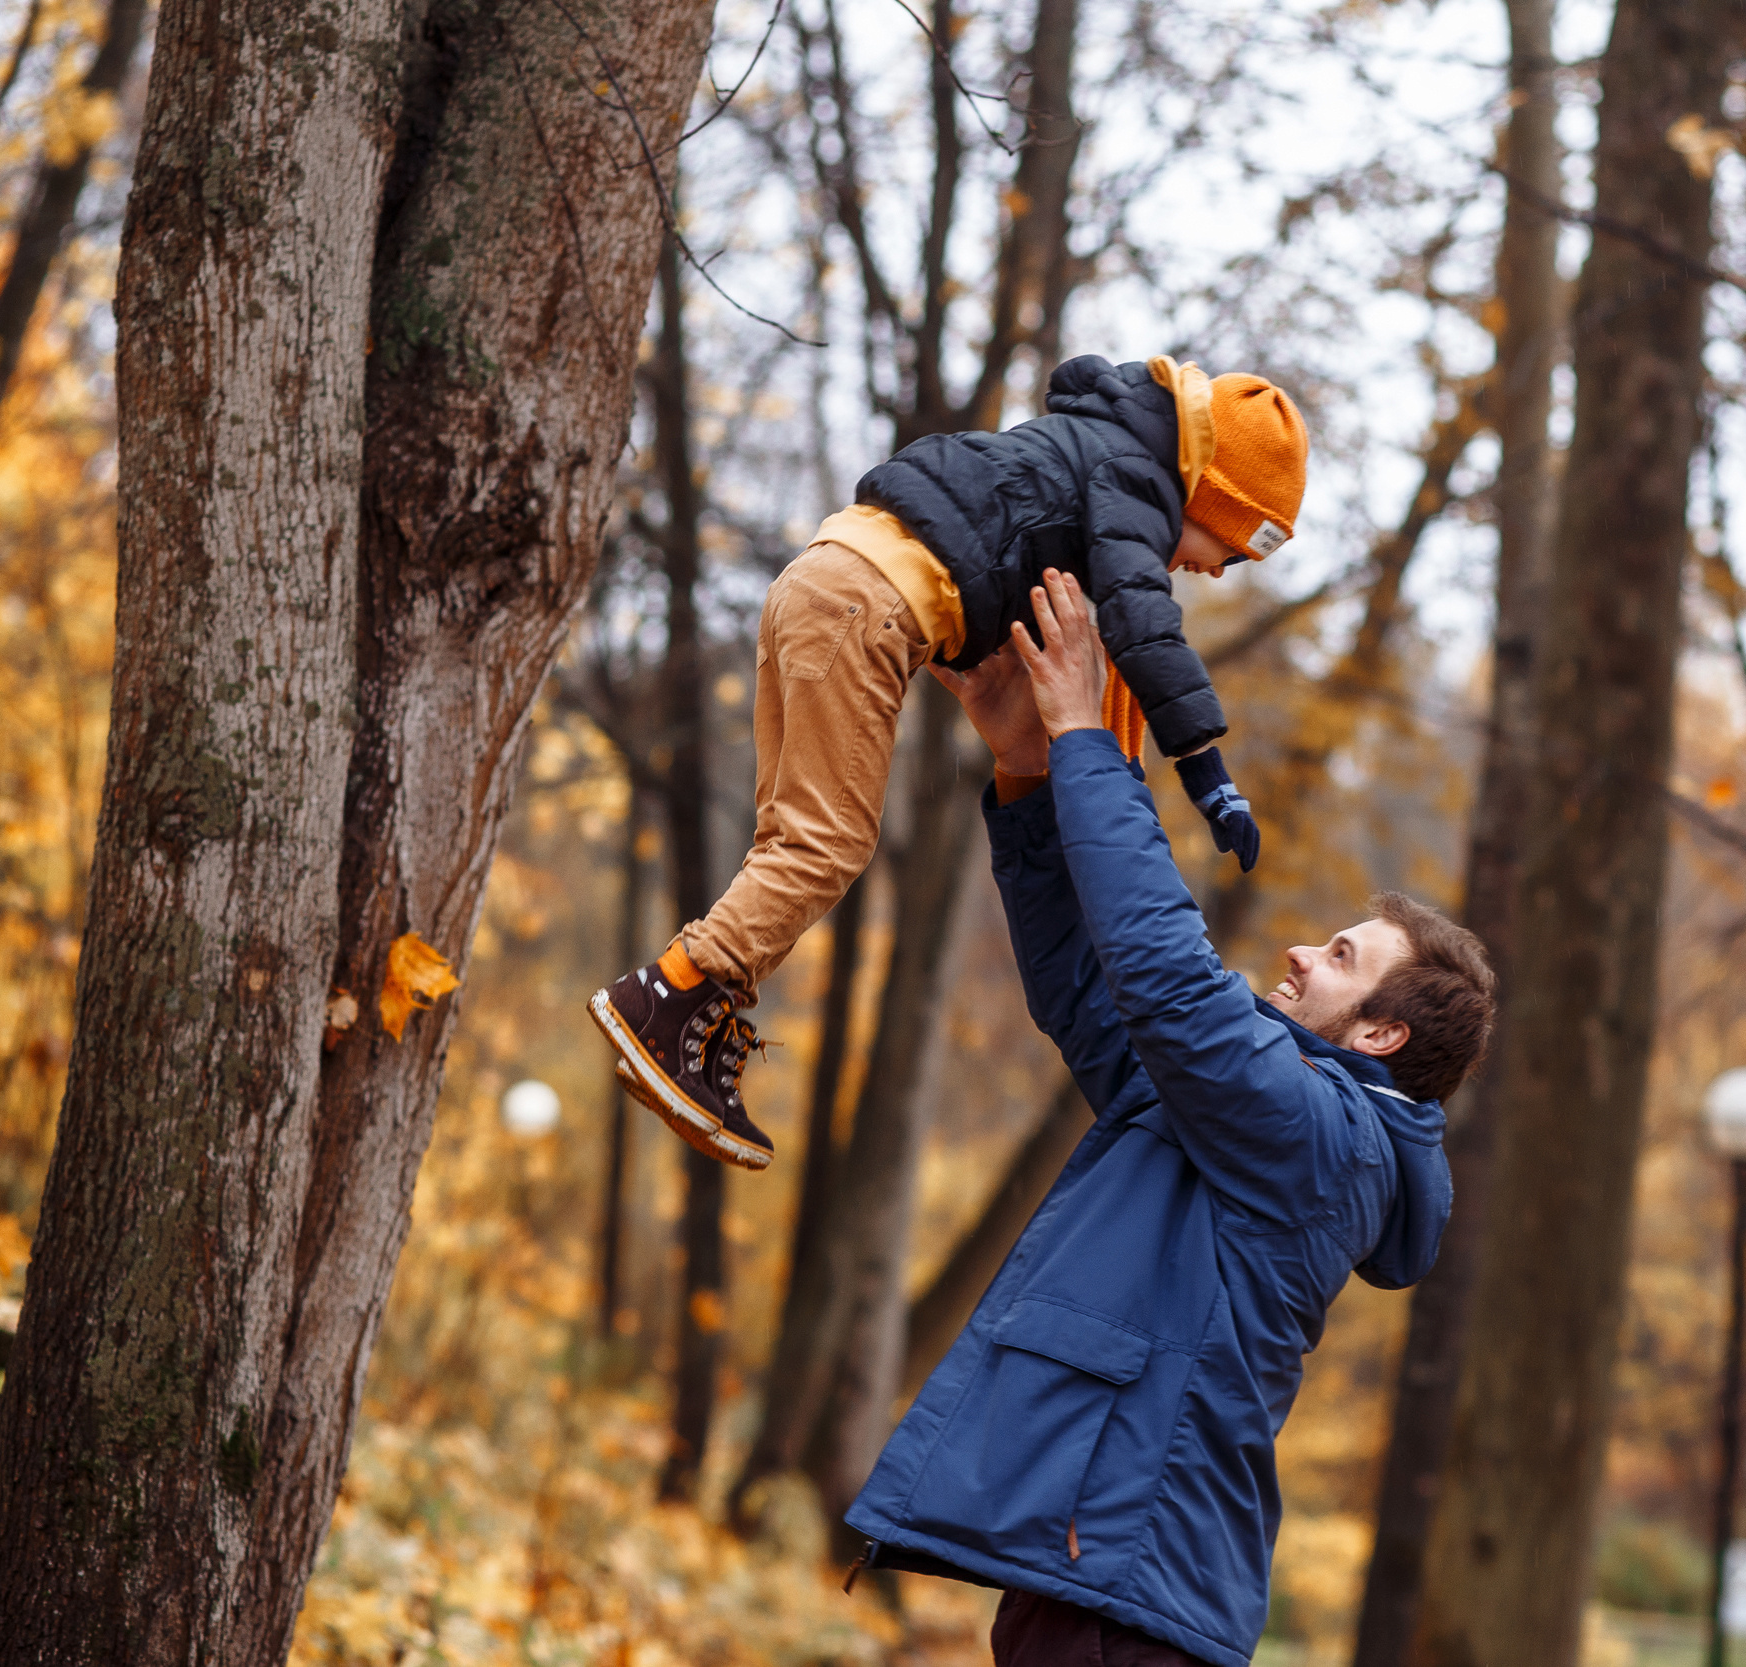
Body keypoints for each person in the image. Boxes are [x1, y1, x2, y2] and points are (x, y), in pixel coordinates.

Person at [841, 570, 1495, 1667]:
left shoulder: (1326, 1141)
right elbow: (1089, 993)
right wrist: (1026, 773)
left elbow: (1167, 974)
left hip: (1128, 1596)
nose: (1300, 951)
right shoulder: (1247, 1109)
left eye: (1341, 956)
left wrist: (1085, 741)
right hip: (1096, 1579)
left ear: (1382, 1033)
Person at [590, 356, 1307, 1169]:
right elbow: (1142, 627)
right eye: (1231, 550)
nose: (1214, 570)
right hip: (867, 607)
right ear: (1207, 493)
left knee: (792, 838)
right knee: (829, 844)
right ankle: (671, 992)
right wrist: (1208, 776)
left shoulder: (1095, 447)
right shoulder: (1138, 483)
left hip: (819, 576)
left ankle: (692, 1007)